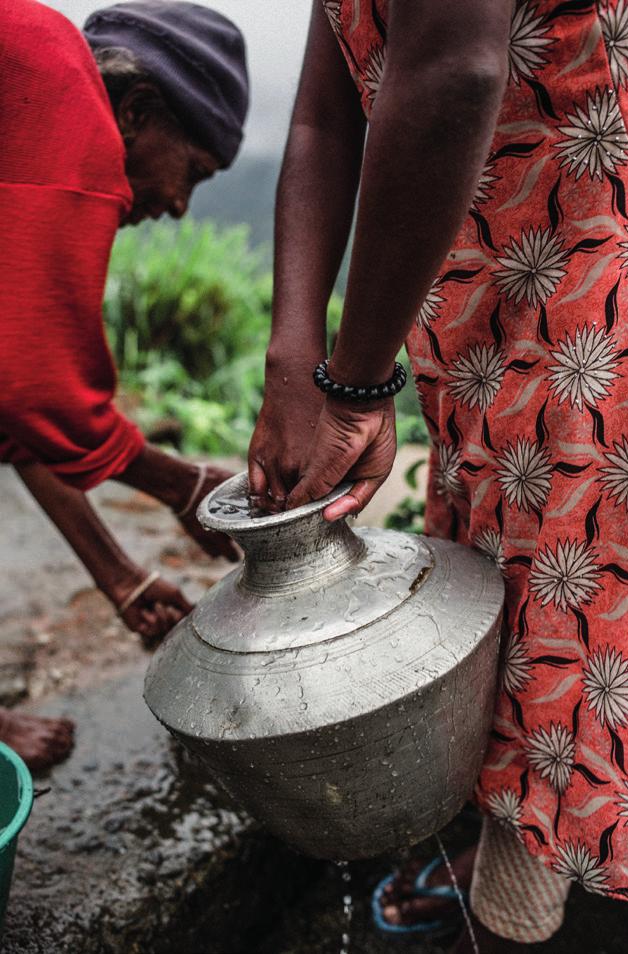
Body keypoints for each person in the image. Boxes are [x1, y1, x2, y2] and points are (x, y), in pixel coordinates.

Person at [248, 0, 628, 950]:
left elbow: (456, 69)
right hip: (481, 341)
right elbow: (320, 116)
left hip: (599, 317)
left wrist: (351, 384)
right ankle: (529, 859)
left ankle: (534, 906)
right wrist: (294, 355)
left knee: (588, 644)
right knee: (525, 642)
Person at [0, 0, 249, 771]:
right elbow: (34, 387)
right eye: (194, 173)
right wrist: (182, 483)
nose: (178, 205)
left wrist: (120, 574)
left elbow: (9, 408)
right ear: (138, 110)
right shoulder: (56, 78)